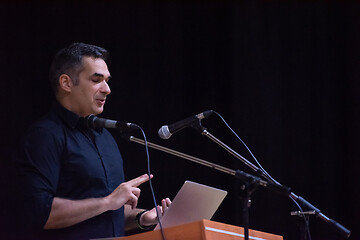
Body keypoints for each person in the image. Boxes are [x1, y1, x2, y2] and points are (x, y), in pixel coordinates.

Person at [14, 42, 171, 240]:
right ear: (66, 83)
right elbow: (40, 213)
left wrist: (142, 217)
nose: (107, 89)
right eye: (97, 80)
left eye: (107, 80)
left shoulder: (106, 139)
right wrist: (108, 201)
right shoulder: (44, 135)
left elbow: (106, 214)